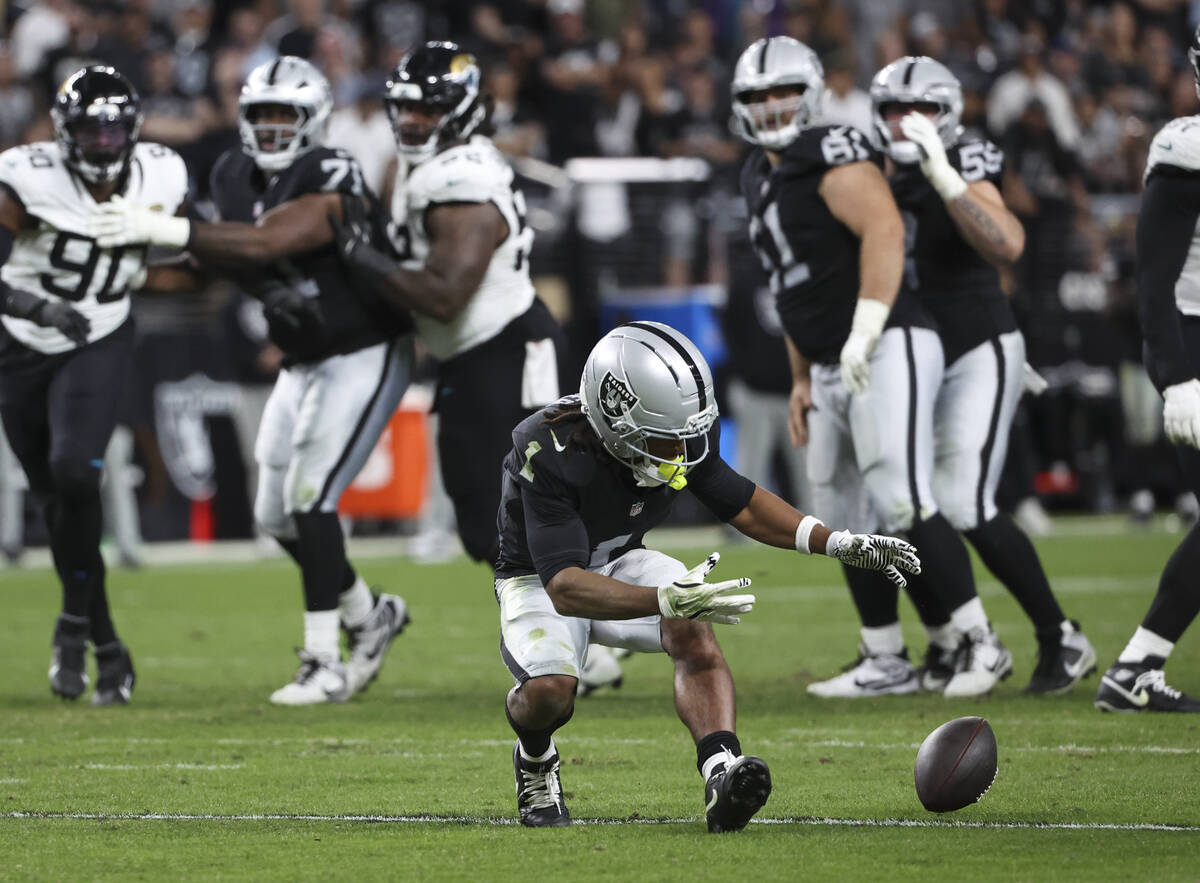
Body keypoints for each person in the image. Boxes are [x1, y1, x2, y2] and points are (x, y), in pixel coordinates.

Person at [494, 322, 921, 829]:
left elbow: (741, 503)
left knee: (693, 624)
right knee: (551, 692)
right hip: (539, 579)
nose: (681, 453)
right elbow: (564, 586)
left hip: (620, 558)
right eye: (664, 440)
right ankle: (536, 761)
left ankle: (722, 772)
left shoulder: (681, 430)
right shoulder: (549, 449)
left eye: (685, 437)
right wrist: (664, 598)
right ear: (615, 420)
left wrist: (840, 543)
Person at [90, 56, 415, 706]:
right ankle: (366, 612)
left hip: (364, 345)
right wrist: (133, 272)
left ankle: (324, 660)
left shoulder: (331, 169)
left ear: (312, 120)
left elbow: (268, 241)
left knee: (308, 495)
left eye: (284, 114)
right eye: (261, 113)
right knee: (276, 513)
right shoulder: (231, 174)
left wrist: (162, 226)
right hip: (303, 355)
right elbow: (213, 260)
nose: (270, 127)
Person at [730, 37, 1010, 698]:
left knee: (904, 494)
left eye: (784, 92)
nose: (772, 106)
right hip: (827, 359)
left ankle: (979, 640)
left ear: (814, 92)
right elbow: (789, 286)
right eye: (757, 95)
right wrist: (801, 376)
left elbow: (884, 228)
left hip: (889, 341)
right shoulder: (757, 173)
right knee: (842, 517)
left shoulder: (832, 149)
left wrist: (864, 331)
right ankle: (888, 653)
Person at [870, 56, 1097, 695]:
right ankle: (949, 641)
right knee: (900, 502)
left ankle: (1059, 636)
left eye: (918, 111)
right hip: (912, 355)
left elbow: (1007, 243)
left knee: (962, 499)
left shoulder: (966, 156)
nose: (903, 123)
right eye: (891, 110)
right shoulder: (871, 165)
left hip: (975, 347)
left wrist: (943, 178)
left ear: (949, 114)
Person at [330, 41, 565, 570]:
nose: (413, 121)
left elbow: (444, 295)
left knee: (526, 522)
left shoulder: (464, 179)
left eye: (429, 109)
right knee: (483, 526)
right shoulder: (425, 165)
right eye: (406, 108)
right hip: (469, 356)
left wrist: (358, 258)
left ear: (460, 109)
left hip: (507, 350)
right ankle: (584, 637)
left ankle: (606, 632)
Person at [0, 66, 185, 705]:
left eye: (113, 131)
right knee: (57, 500)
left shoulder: (163, 172)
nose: (102, 144)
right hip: (20, 344)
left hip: (100, 334)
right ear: (63, 133)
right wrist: (35, 308)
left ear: (133, 132)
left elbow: (193, 254)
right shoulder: (25, 177)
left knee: (76, 472)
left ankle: (75, 625)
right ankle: (100, 636)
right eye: (88, 130)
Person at [1093, 27, 1200, 713]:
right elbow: (1154, 281)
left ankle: (1135, 668)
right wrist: (1178, 376)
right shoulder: (1185, 145)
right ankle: (1135, 666)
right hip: (1192, 339)